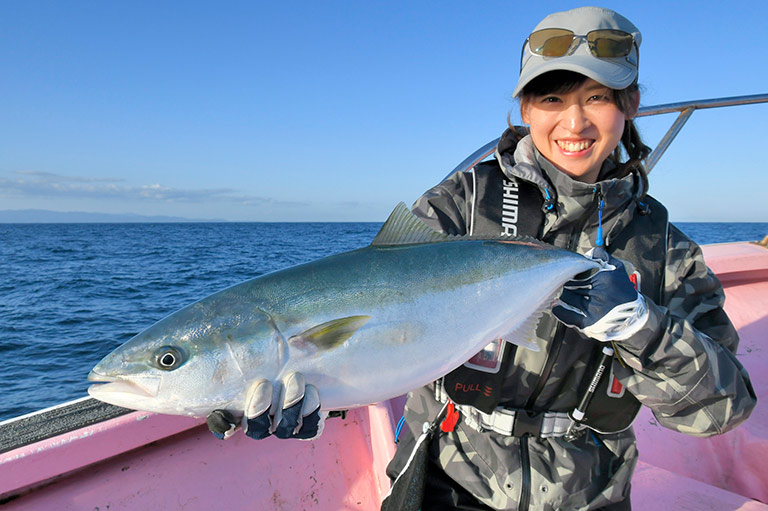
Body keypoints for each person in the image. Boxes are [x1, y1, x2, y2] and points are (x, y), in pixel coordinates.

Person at [208, 6, 756, 510]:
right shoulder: (459, 207)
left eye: (597, 97)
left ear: (630, 104)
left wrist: (641, 324)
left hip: (591, 494)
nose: (574, 123)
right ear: (524, 107)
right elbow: (379, 322)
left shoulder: (663, 248)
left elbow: (722, 410)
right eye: (552, 99)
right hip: (446, 484)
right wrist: (312, 394)